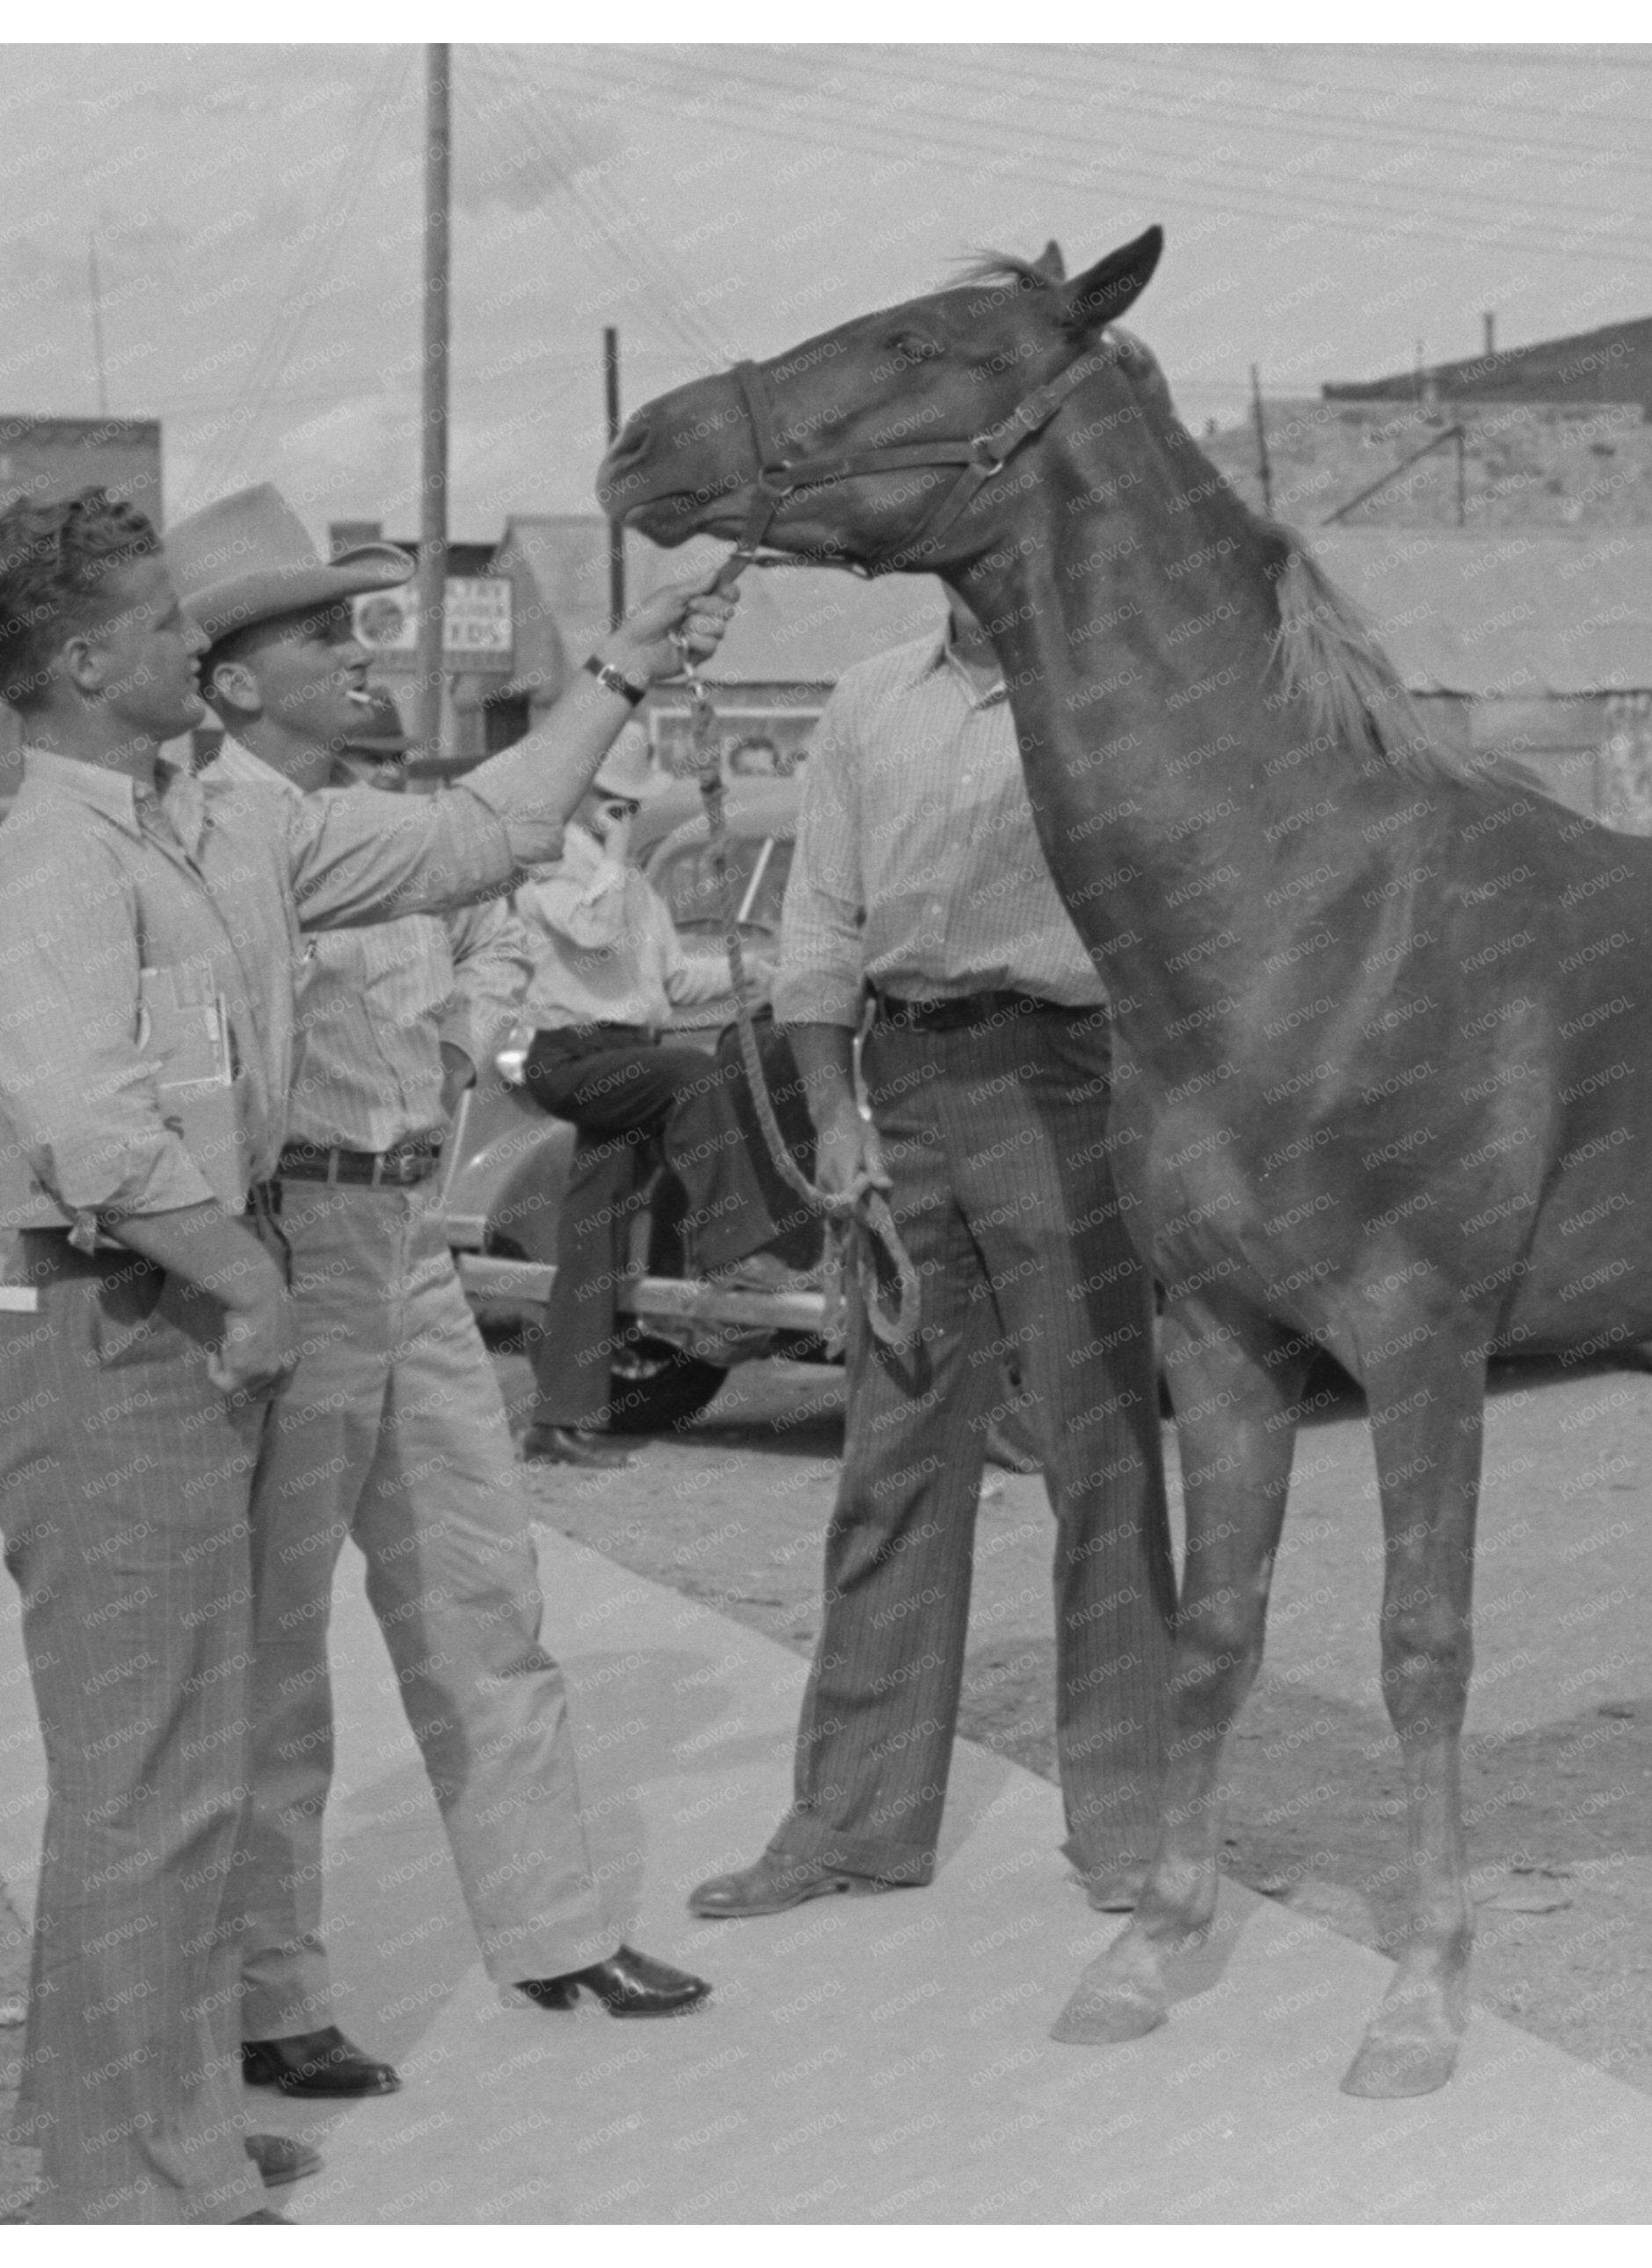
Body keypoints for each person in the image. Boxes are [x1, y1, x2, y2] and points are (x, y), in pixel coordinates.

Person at [0, 483, 729, 2224]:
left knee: (167, 1777)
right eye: (160, 626)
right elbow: (90, 1130)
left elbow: (470, 841)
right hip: (111, 1318)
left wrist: (614, 672)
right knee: (151, 1784)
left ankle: (155, 2146)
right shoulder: (46, 870)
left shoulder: (218, 836)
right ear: (84, 664)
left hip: (183, 1312)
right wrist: (253, 1282)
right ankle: (143, 2182)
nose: (189, 652)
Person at [166, 494, 710, 2117]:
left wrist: (470, 1028)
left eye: (355, 625)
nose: (358, 656)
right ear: (225, 684)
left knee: (484, 1598)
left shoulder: (382, 822)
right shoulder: (209, 830)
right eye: (318, 634)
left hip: (408, 1235)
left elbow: (489, 937)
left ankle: (556, 1930)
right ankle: (271, 1995)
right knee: (278, 1653)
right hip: (290, 1241)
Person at [686, 586, 1175, 1923]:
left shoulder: (1110, 689)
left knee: (1103, 1456)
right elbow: (819, 921)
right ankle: (851, 1820)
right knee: (892, 1463)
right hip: (899, 1086)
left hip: (1068, 1084)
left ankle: (1134, 1820)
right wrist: (833, 1115)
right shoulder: (865, 699)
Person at [509, 725, 817, 1469]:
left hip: (623, 1059)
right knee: (692, 1074)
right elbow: (595, 927)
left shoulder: (632, 883)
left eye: (627, 805)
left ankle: (558, 1417)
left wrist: (768, 974)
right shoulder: (550, 872)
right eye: (612, 801)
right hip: (572, 1057)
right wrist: (614, 855)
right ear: (580, 798)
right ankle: (736, 1250)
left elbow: (674, 984)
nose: (622, 813)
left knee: (593, 1243)